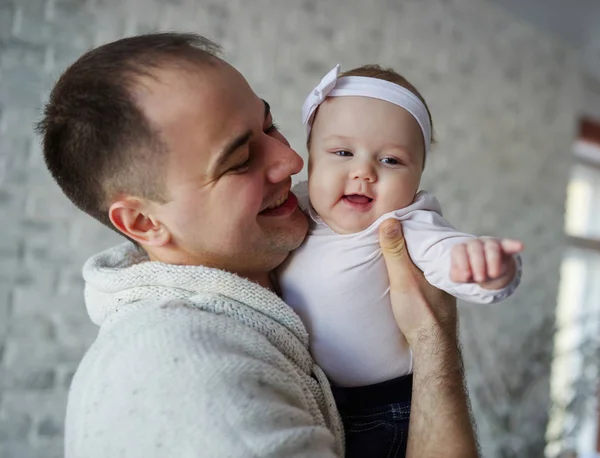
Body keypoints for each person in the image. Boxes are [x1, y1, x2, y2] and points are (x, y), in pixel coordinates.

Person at [36, 32, 479, 457]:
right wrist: (431, 339)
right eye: (241, 160)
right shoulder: (187, 384)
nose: (292, 160)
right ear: (144, 221)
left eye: (272, 126)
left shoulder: (270, 300)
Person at [277, 63, 523, 457]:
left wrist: (482, 266)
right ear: (310, 158)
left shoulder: (407, 221)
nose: (363, 172)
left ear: (418, 176)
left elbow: (446, 253)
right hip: (310, 395)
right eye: (342, 152)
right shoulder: (296, 212)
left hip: (386, 409)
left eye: (390, 160)